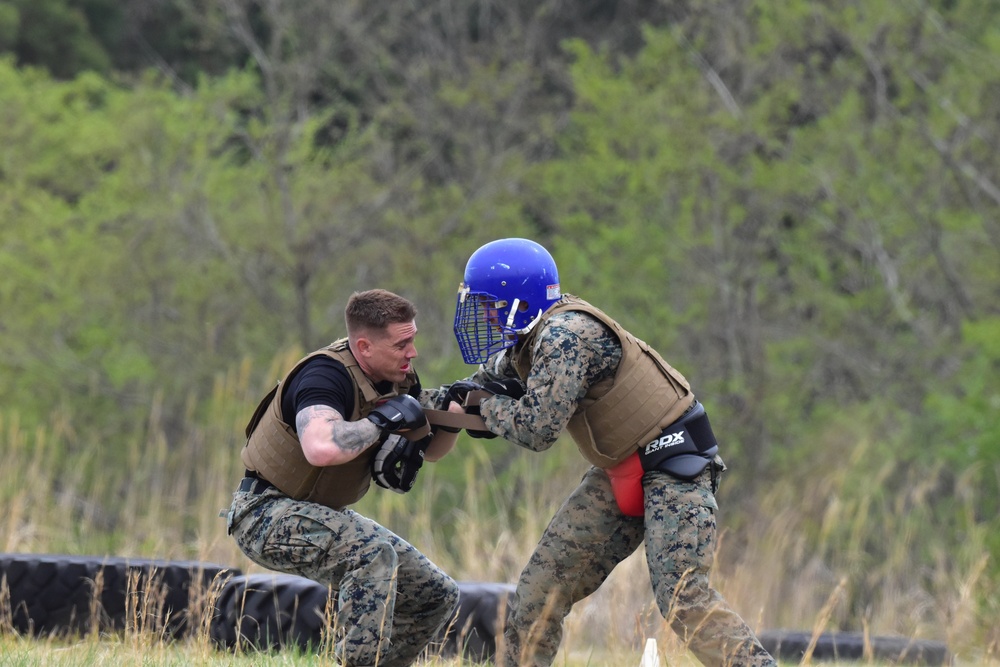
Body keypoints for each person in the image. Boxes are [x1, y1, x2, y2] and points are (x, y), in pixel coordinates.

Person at [446, 238, 777, 667]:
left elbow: (536, 429)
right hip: (621, 466)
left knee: (683, 598)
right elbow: (473, 387)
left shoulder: (565, 338)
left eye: (490, 304)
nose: (486, 316)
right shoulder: (532, 340)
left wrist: (484, 407)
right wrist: (414, 404)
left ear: (518, 300)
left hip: (675, 465)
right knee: (538, 594)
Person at [227, 288, 462, 667]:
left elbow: (430, 451)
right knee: (372, 556)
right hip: (263, 513)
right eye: (402, 343)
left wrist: (456, 412)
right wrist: (381, 421)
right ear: (365, 347)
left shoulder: (397, 378)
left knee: (434, 593)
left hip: (322, 513)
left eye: (413, 340)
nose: (412, 352)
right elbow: (320, 447)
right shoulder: (324, 375)